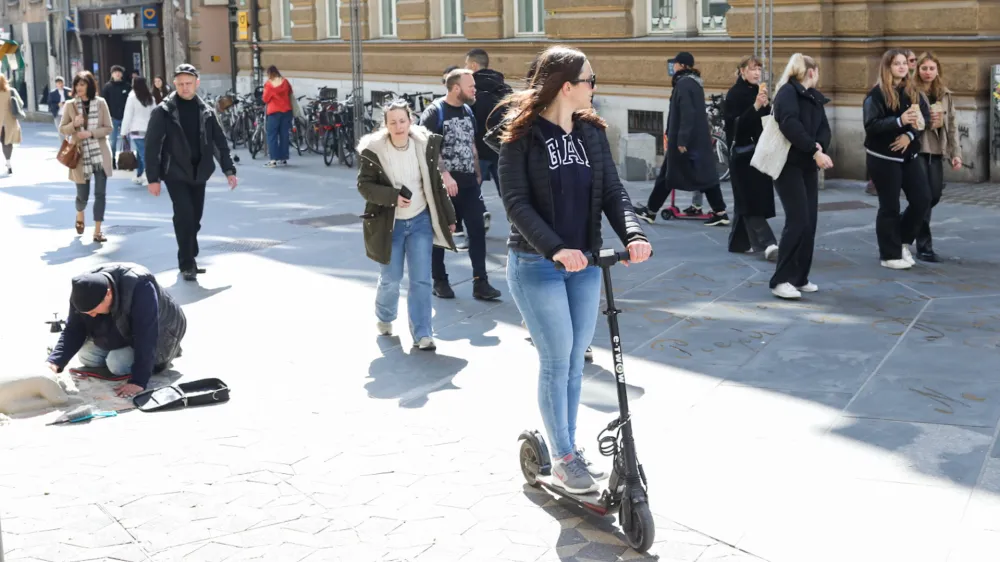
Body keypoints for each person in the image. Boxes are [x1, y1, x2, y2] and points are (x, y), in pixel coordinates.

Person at [497, 46, 652, 494]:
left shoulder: (591, 133)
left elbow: (613, 193)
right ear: (567, 86)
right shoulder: (520, 137)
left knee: (575, 362)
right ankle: (564, 458)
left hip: (585, 265)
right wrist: (556, 248)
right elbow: (517, 204)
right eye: (590, 79)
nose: (595, 86)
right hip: (536, 263)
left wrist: (633, 236)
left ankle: (567, 448)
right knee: (556, 357)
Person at [358, 99, 458, 350]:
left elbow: (436, 186)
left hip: (420, 220)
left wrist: (449, 217)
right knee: (391, 278)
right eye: (393, 122)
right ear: (386, 125)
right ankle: (385, 316)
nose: (398, 126)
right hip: (390, 223)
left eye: (402, 120)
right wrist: (392, 197)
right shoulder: (375, 150)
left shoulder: (424, 146)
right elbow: (365, 186)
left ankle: (423, 333)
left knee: (421, 280)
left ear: (410, 121)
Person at [144, 64, 239, 281]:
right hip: (174, 172)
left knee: (195, 218)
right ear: (174, 85)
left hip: (200, 172)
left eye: (188, 83)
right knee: (185, 215)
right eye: (180, 84)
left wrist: (228, 169)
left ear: (197, 83)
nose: (185, 88)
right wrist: (153, 178)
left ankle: (189, 251)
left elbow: (219, 141)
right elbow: (152, 146)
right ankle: (187, 262)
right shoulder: (164, 111)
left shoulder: (205, 110)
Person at [419, 69, 502, 301]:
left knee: (477, 231)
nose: (475, 89)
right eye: (470, 86)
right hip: (444, 186)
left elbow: (471, 142)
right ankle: (440, 280)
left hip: (468, 184)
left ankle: (481, 282)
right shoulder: (435, 112)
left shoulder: (467, 110)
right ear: (456, 88)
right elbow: (428, 148)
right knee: (441, 233)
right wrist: (445, 175)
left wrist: (476, 171)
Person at [45, 263, 187, 398]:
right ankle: (120, 352)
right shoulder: (83, 289)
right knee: (86, 356)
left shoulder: (140, 286)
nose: (92, 315)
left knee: (117, 364)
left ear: (108, 294)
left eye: (94, 311)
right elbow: (74, 329)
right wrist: (55, 362)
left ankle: (161, 359)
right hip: (122, 328)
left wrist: (138, 381)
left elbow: (146, 335)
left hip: (163, 333)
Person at [634, 52, 729, 227]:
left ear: (682, 65)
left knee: (680, 176)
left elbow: (687, 113)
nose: (674, 67)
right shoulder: (694, 83)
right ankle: (651, 211)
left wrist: (681, 141)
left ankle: (651, 211)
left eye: (676, 64)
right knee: (689, 175)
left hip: (686, 142)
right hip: (695, 140)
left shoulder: (684, 84)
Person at [768, 54, 833, 300]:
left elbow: (824, 128)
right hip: (787, 165)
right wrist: (814, 149)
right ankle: (780, 280)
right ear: (811, 72)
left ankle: (799, 277)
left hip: (807, 165)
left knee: (809, 223)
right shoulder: (787, 93)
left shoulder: (814, 97)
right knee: (797, 221)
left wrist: (820, 146)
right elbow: (790, 124)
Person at [863, 49, 931, 271]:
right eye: (897, 64)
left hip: (909, 154)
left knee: (922, 199)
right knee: (889, 205)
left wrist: (909, 135)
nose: (903, 67)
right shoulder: (876, 94)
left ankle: (901, 241)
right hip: (883, 157)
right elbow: (871, 126)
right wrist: (899, 121)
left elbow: (924, 118)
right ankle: (889, 254)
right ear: (888, 67)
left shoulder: (913, 91)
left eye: (904, 63)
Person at [724, 55, 779, 260]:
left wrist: (767, 107)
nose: (757, 73)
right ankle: (769, 243)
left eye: (759, 69)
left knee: (745, 200)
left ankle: (738, 243)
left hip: (760, 152)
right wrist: (755, 106)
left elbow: (765, 122)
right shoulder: (734, 94)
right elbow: (735, 127)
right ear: (742, 71)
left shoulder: (759, 92)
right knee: (750, 200)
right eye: (753, 69)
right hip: (742, 155)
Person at [913, 52, 962, 263]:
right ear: (918, 70)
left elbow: (952, 126)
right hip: (918, 148)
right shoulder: (911, 91)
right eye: (924, 68)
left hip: (937, 150)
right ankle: (924, 246)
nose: (928, 72)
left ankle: (907, 221)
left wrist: (955, 153)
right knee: (924, 197)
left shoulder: (945, 94)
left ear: (938, 70)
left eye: (932, 68)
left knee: (933, 196)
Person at [60, 71, 113, 243]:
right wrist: (73, 124)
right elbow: (62, 129)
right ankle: (80, 213)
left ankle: (98, 230)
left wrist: (91, 133)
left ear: (90, 86)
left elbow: (108, 128)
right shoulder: (70, 105)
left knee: (100, 194)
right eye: (77, 85)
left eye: (82, 84)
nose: (79, 88)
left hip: (100, 154)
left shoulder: (101, 103)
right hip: (80, 156)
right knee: (83, 195)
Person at [466, 47, 512, 202]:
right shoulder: (504, 88)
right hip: (502, 149)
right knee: (508, 194)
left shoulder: (471, 90)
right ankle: (516, 224)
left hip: (479, 150)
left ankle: (476, 218)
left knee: (471, 194)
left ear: (473, 65)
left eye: (467, 65)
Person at [120, 76, 157, 185]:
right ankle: (140, 174)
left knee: (143, 153)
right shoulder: (150, 98)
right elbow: (155, 114)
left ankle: (148, 176)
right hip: (149, 129)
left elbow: (128, 115)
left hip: (136, 130)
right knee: (143, 153)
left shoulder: (132, 98)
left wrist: (123, 132)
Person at [262, 65, 294, 168]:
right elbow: (290, 92)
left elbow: (265, 99)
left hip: (274, 112)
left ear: (269, 74)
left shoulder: (269, 85)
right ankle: (284, 159)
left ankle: (273, 160)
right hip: (286, 111)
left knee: (272, 135)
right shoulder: (285, 82)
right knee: (284, 135)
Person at [101, 65, 131, 166]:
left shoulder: (127, 86)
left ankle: (127, 161)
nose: (117, 74)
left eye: (119, 72)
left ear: (122, 74)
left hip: (125, 118)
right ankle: (112, 160)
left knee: (127, 140)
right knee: (112, 141)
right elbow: (104, 103)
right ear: (112, 74)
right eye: (115, 72)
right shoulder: (107, 87)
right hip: (112, 117)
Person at [0, 74, 23, 176]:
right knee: (7, 143)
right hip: (9, 122)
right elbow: (21, 103)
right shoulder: (11, 91)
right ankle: (8, 163)